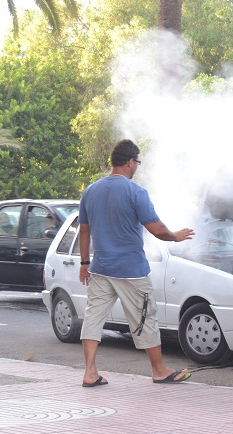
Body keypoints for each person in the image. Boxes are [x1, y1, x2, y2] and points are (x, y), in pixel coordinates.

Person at [78, 139, 195, 387]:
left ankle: (90, 372)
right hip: (131, 271)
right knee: (145, 317)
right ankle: (159, 370)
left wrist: (84, 263)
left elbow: (84, 231)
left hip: (100, 269)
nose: (137, 167)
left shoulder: (90, 191)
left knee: (93, 318)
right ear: (130, 162)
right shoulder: (135, 192)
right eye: (137, 162)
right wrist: (175, 236)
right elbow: (156, 228)